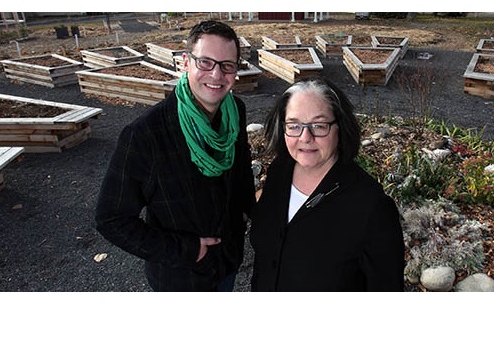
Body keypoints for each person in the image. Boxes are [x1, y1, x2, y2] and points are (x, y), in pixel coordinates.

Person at [95, 20, 254, 291]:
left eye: (227, 65)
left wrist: (254, 215)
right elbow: (111, 219)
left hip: (226, 263)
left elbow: (239, 174)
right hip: (181, 277)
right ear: (185, 62)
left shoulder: (234, 111)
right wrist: (187, 249)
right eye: (205, 62)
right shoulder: (146, 134)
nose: (216, 75)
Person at [250, 77, 405, 291]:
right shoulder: (280, 171)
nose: (305, 137)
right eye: (294, 126)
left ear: (339, 127)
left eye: (319, 125)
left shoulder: (371, 206)